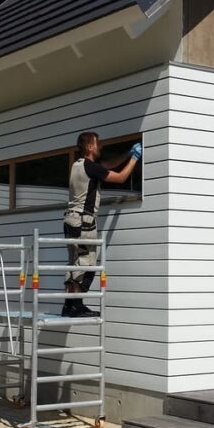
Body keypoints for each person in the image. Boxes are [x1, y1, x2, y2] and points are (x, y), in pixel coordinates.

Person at [62, 132, 142, 317]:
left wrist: (128, 153)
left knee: (74, 262)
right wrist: (135, 158)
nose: (101, 146)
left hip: (71, 220)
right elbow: (121, 177)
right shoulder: (91, 167)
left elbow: (107, 165)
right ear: (90, 147)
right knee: (86, 263)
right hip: (83, 221)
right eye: (98, 144)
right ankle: (76, 306)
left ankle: (68, 306)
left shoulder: (78, 165)